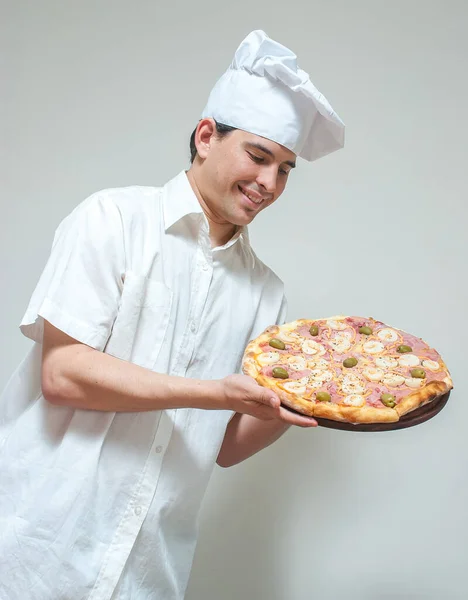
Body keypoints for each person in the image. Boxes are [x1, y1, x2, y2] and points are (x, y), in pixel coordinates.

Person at [0, 30, 344, 600]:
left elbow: (227, 445)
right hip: (39, 548)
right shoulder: (113, 220)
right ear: (206, 136)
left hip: (147, 571)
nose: (269, 183)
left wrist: (312, 395)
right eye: (259, 156)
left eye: (285, 169)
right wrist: (213, 393)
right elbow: (63, 375)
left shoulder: (264, 292)